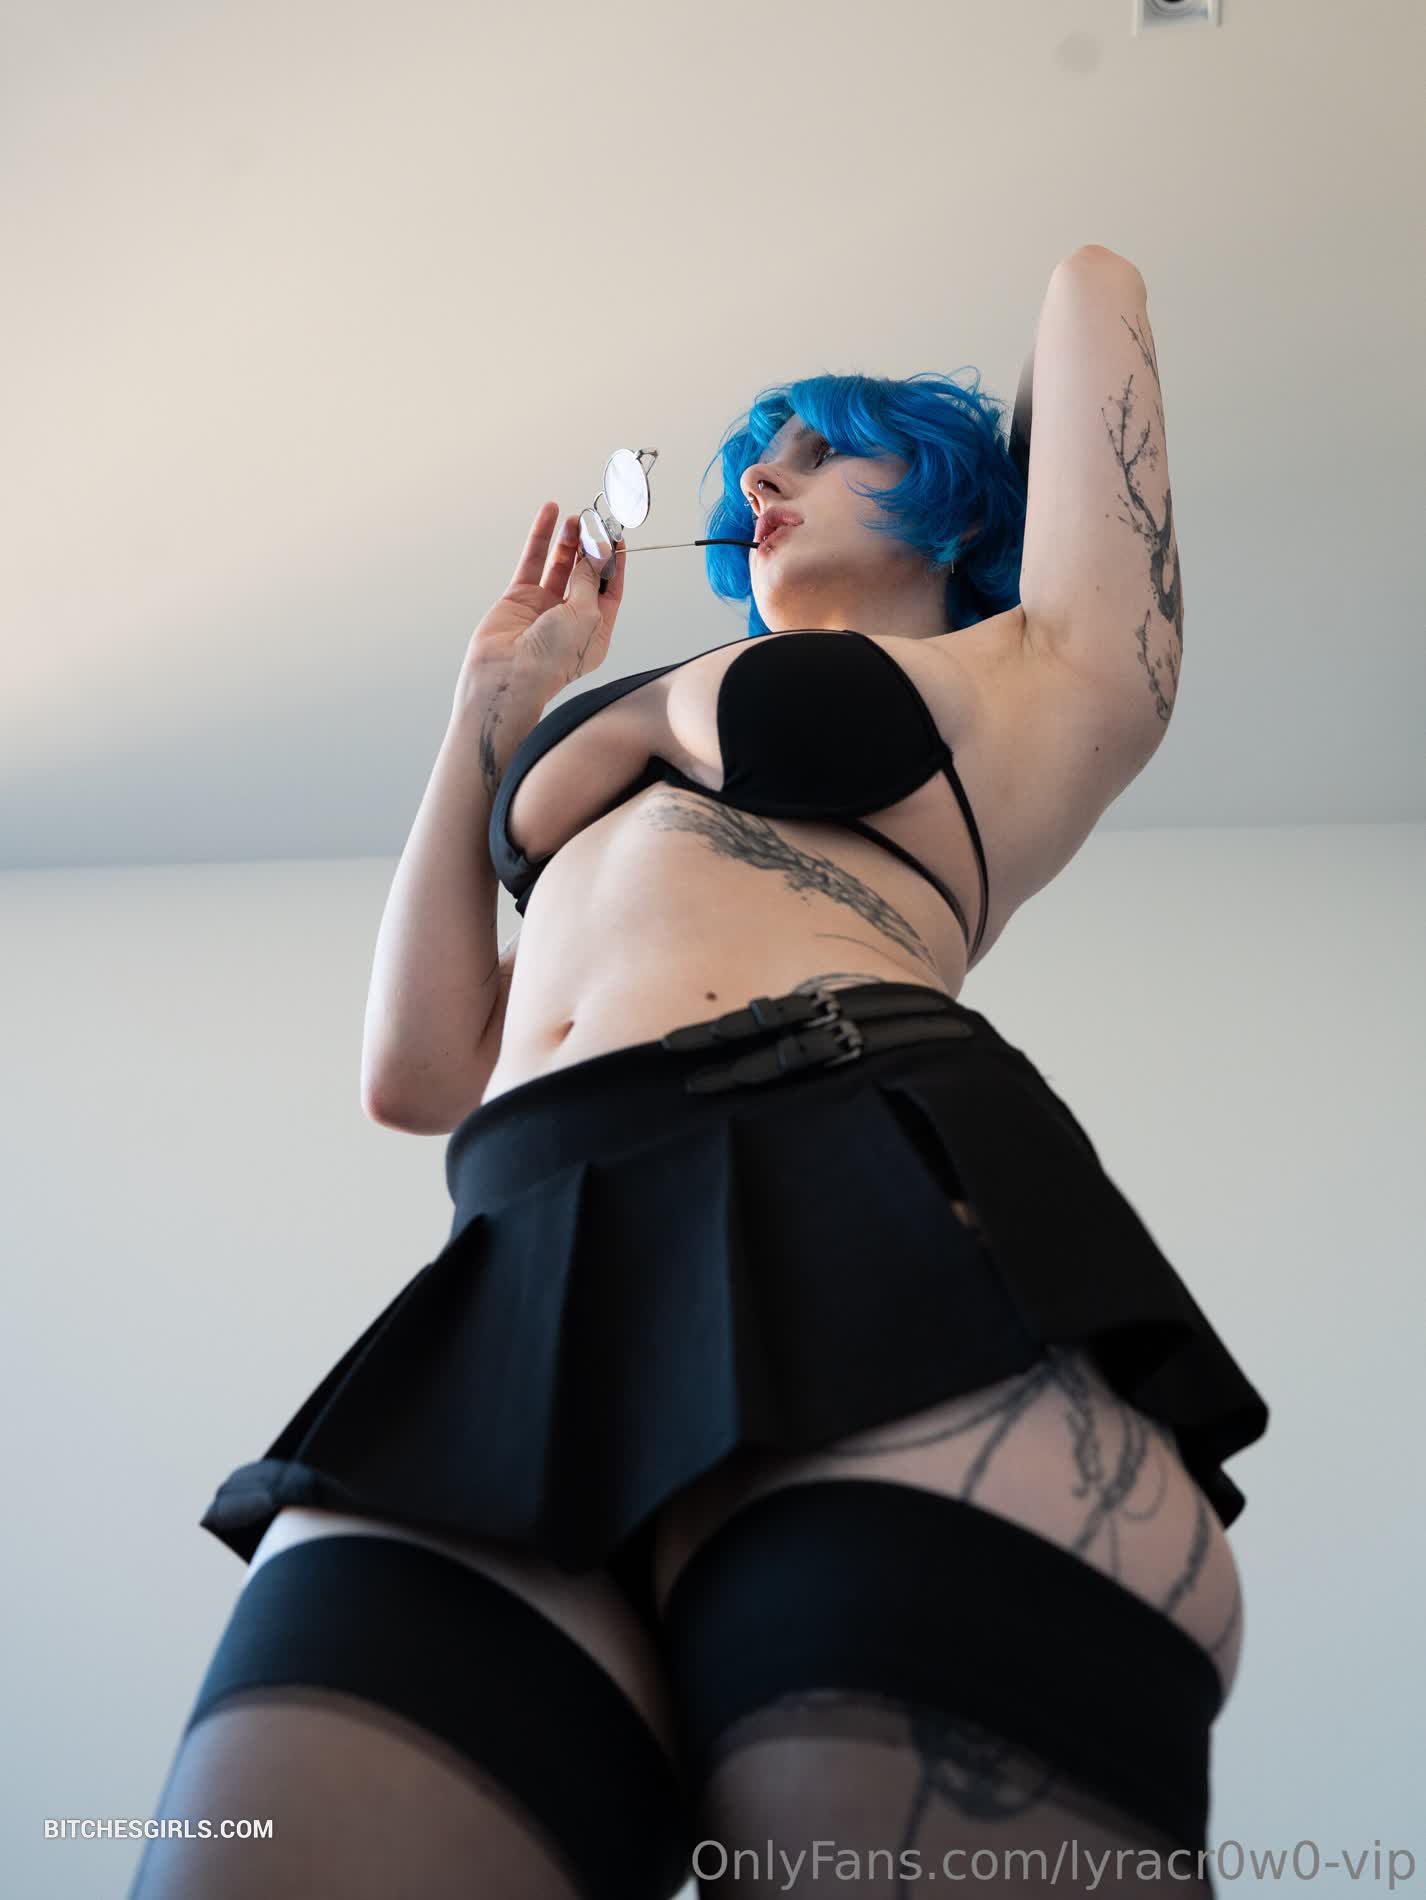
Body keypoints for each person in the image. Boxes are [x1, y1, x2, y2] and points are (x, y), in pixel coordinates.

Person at [132, 355, 1269, 1898]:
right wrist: (491, 711)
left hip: (850, 1188)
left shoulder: (1030, 674)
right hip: (531, 1265)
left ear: (953, 507)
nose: (759, 479)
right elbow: (420, 1072)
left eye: (822, 449)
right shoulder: (629, 752)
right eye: (758, 456)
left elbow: (1091, 295)